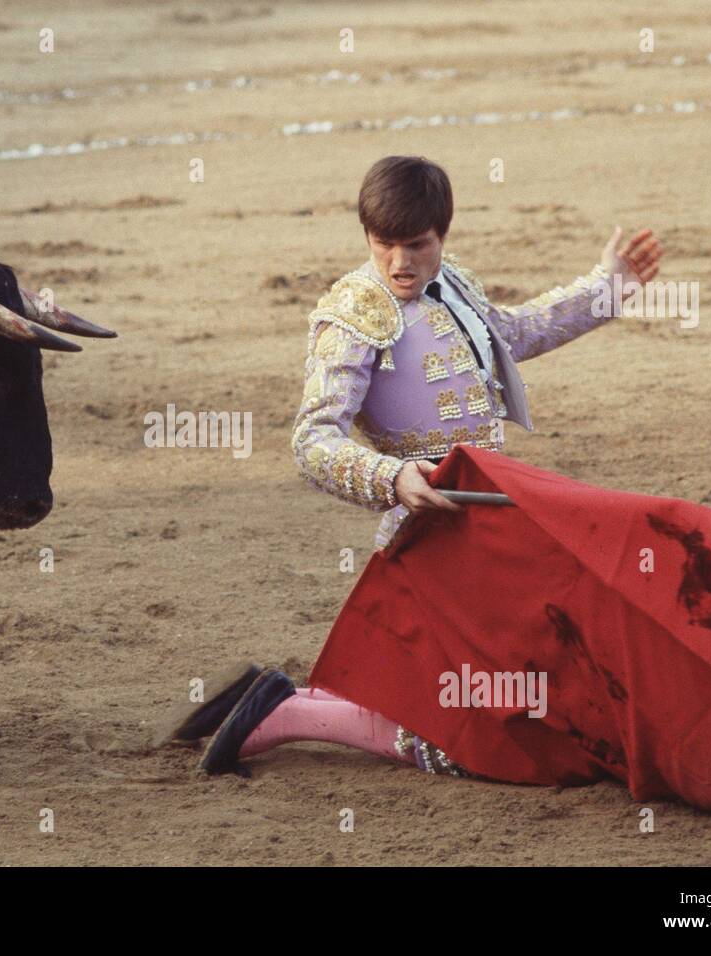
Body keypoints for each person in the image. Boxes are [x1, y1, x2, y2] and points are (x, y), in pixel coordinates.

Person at [169, 155, 663, 777]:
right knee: (467, 737)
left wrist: (605, 289)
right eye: (384, 245)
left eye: (416, 245)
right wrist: (393, 478)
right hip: (426, 537)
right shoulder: (351, 314)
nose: (400, 263)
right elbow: (311, 440)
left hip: (488, 524)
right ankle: (284, 714)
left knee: (495, 699)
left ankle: (273, 702)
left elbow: (512, 334)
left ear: (442, 236)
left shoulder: (451, 282)